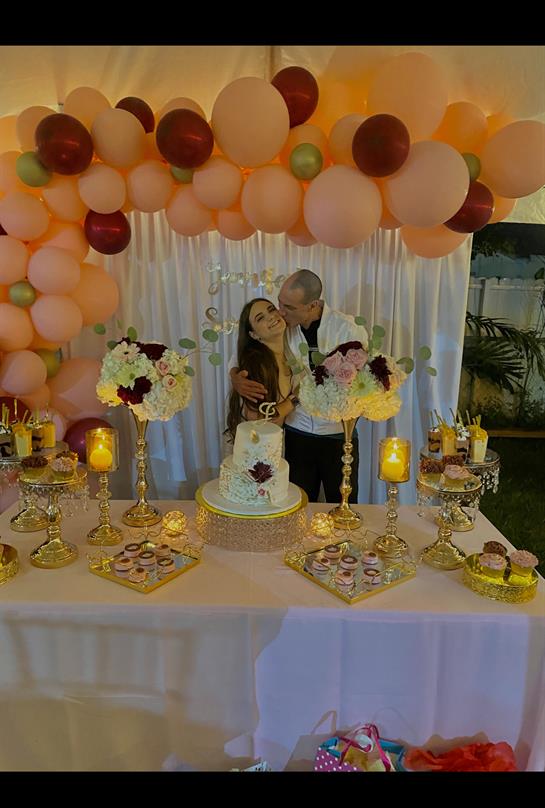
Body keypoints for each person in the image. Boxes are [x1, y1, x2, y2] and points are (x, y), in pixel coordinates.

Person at [230, 269, 369, 503]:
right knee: (299, 505)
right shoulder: (282, 326)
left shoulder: (347, 329)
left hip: (338, 434)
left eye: (289, 307)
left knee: (343, 504)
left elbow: (363, 381)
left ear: (313, 305)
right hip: (298, 431)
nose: (281, 312)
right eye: (279, 304)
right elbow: (244, 353)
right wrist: (235, 376)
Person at [226, 297, 299, 441]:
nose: (271, 316)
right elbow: (258, 420)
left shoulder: (288, 350)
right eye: (260, 318)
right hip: (257, 449)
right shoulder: (257, 365)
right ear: (253, 335)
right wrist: (292, 401)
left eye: (271, 309)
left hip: (279, 443)